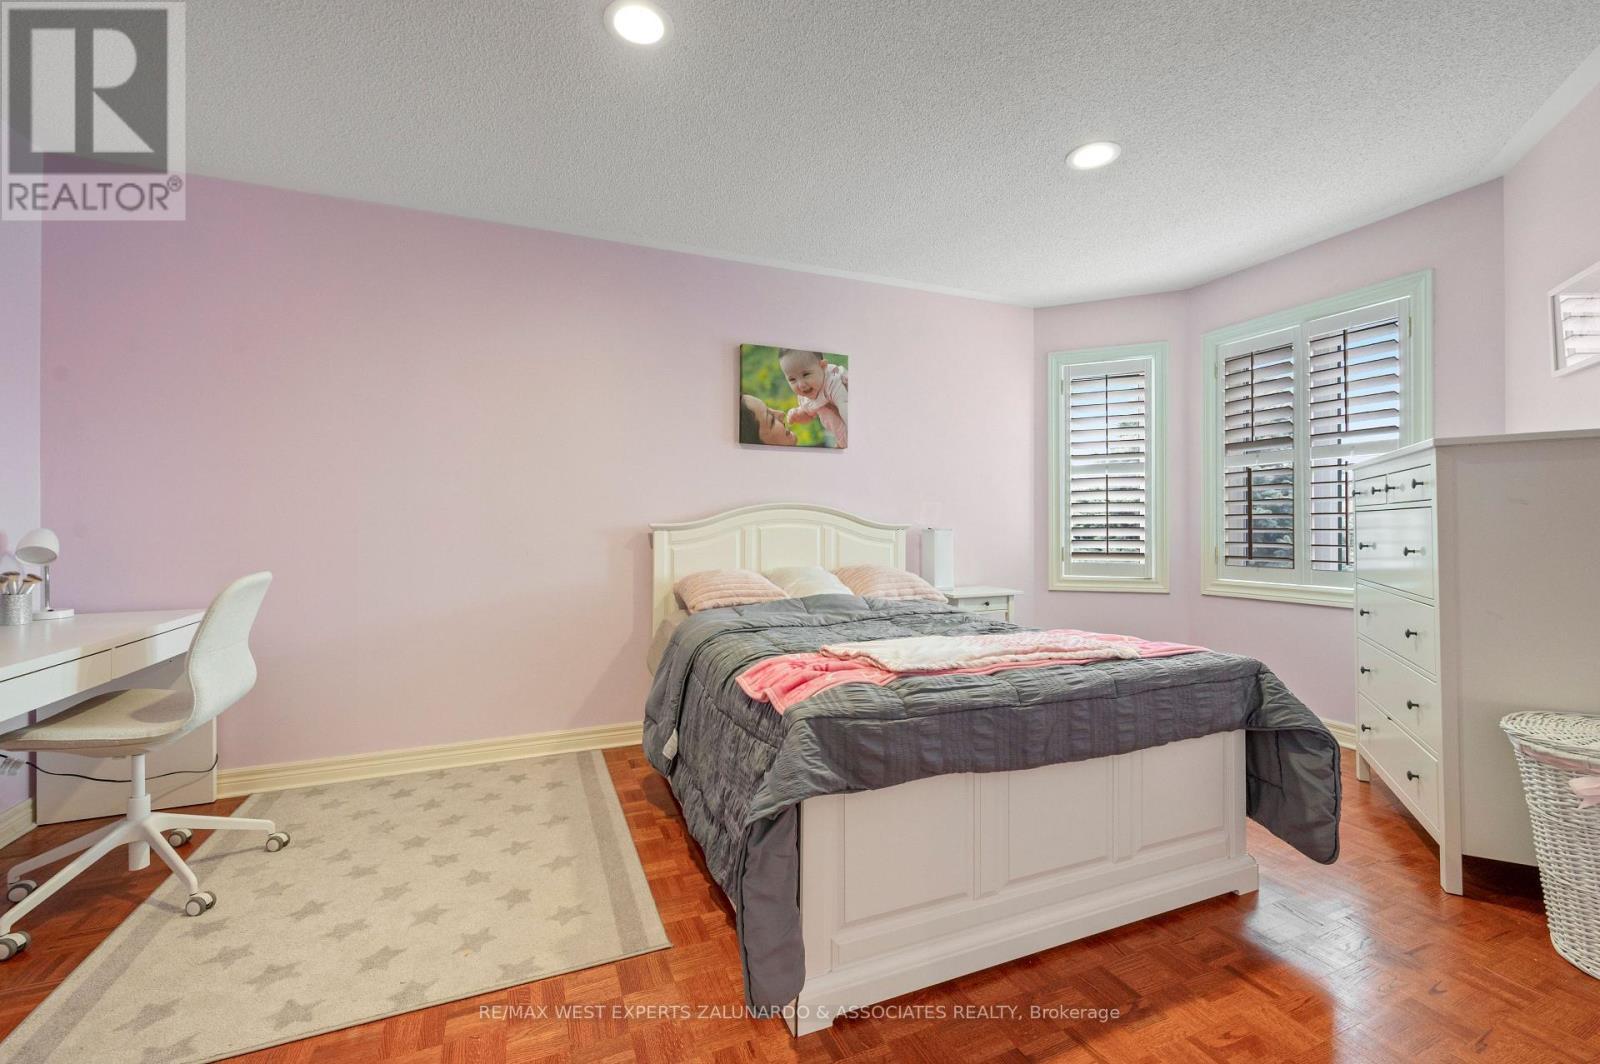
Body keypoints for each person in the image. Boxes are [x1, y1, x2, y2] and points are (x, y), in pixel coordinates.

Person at [779, 349, 847, 448]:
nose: (801, 385)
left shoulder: (833, 381)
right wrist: (799, 414)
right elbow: (809, 413)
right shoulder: (805, 397)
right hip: (842, 438)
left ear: (823, 367)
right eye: (792, 379)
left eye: (806, 374)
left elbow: (845, 404)